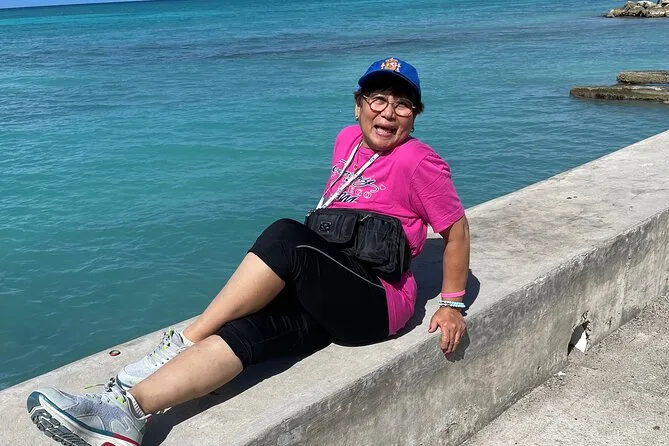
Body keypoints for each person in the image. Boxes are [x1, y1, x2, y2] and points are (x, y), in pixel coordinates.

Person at [26, 57, 470, 446]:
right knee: (244, 332)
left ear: (415, 117)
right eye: (378, 99)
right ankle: (129, 413)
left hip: (375, 301)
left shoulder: (419, 161)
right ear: (358, 105)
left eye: (403, 104)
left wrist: (451, 304)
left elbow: (457, 230)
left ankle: (185, 341)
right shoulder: (346, 141)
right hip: (328, 287)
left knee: (285, 235)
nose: (388, 111)